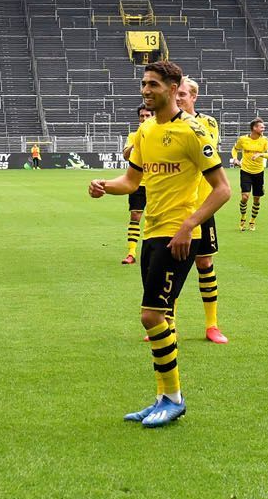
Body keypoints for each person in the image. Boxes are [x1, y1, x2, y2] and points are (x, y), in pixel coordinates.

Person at [89, 60, 230, 427]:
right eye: (143, 84)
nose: (145, 90)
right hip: (152, 233)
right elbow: (132, 182)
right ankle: (162, 397)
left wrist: (190, 225)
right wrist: (106, 186)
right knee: (161, 318)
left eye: (152, 84)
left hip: (178, 237)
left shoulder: (194, 132)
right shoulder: (146, 131)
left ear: (173, 87)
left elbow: (222, 189)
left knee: (150, 315)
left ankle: (174, 398)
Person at [175, 77, 229, 344]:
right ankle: (166, 322)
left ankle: (212, 325)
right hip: (173, 206)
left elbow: (202, 150)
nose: (178, 99)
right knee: (169, 267)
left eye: (182, 95)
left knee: (205, 263)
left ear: (193, 96)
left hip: (202, 207)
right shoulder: (160, 124)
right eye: (175, 94)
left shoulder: (207, 123)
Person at [120, 105, 154, 265]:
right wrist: (137, 142)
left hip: (157, 183)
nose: (144, 119)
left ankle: (157, 252)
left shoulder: (160, 134)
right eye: (142, 116)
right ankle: (131, 253)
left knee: (159, 219)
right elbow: (126, 155)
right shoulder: (133, 135)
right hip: (138, 183)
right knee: (135, 216)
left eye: (147, 116)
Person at [231, 119, 268, 232]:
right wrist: (235, 159)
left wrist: (260, 154)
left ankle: (252, 221)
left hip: (259, 173)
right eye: (261, 127)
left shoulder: (265, 140)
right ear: (254, 128)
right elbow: (235, 149)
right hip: (245, 171)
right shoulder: (243, 139)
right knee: (245, 197)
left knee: (256, 199)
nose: (263, 129)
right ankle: (243, 219)